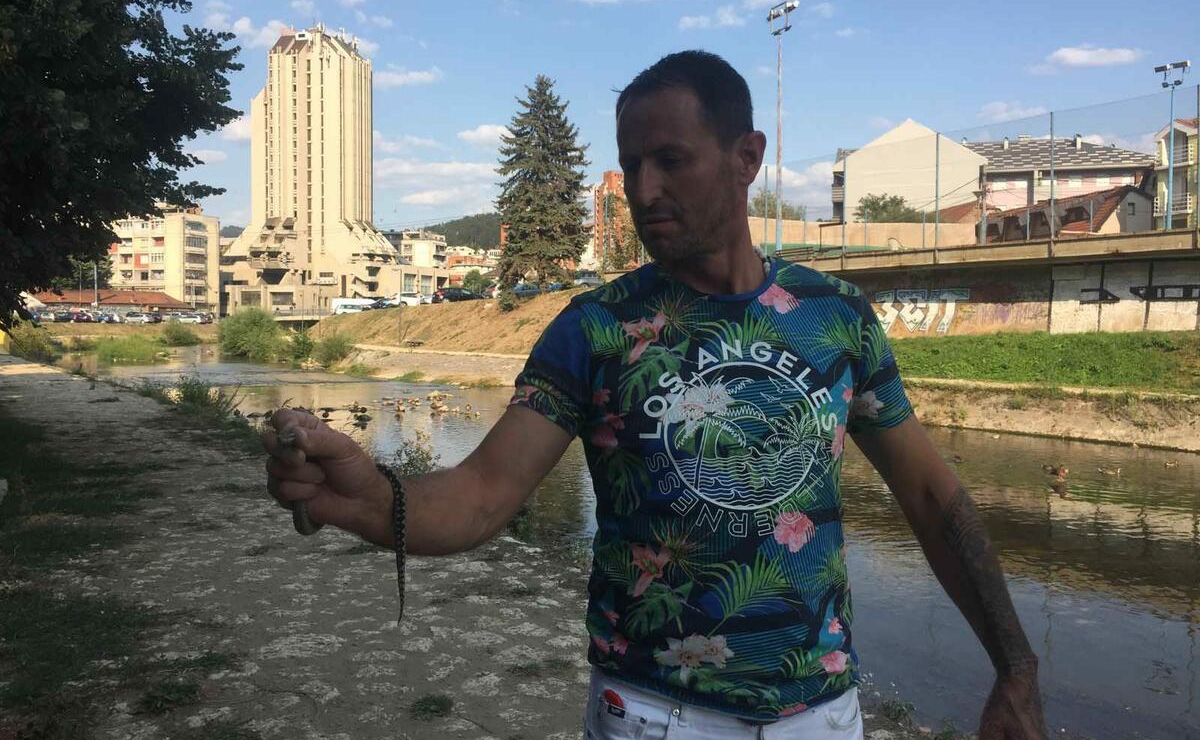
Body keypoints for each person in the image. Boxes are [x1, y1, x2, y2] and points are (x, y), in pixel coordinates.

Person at [264, 51, 1047, 740]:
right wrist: (370, 499)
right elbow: (481, 494)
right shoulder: (594, 330)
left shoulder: (836, 317)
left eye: (670, 160)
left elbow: (930, 495)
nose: (644, 189)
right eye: (631, 165)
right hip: (654, 715)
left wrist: (1015, 666)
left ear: (747, 157)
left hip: (822, 714)